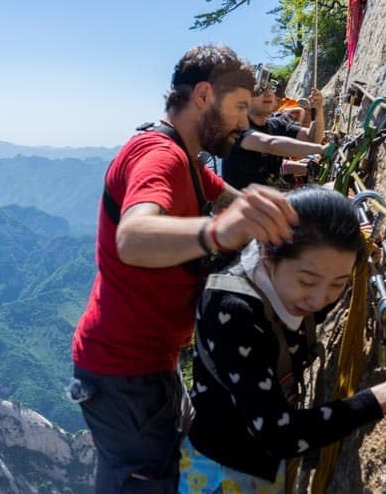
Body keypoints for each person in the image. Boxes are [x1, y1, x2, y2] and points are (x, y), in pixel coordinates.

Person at [70, 44, 301, 493]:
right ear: (202, 96)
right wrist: (217, 233)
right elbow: (134, 237)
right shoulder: (161, 157)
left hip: (142, 365)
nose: (242, 121)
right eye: (237, 107)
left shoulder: (189, 162)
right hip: (125, 371)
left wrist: (309, 210)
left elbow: (240, 203)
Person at [180, 186, 386, 492]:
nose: (320, 298)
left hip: (254, 465)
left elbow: (315, 300)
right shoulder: (230, 309)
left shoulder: (286, 284)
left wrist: (360, 248)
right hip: (221, 472)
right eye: (308, 281)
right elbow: (278, 434)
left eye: (339, 283)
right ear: (267, 252)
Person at [221, 68, 326, 190]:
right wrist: (323, 150)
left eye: (271, 88)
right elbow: (270, 144)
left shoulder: (277, 124)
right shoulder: (237, 128)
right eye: (260, 89)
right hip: (244, 205)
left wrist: (317, 109)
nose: (269, 93)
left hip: (269, 201)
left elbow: (312, 139)